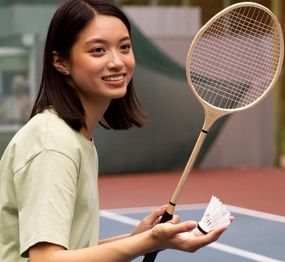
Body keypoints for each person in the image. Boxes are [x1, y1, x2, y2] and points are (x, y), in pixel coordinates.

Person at [0, 0, 230, 261]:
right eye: (98, 50)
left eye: (124, 47)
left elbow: (72, 250)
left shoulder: (74, 136)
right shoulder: (53, 144)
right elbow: (46, 259)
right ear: (61, 62)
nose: (117, 62)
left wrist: (141, 239)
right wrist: (147, 241)